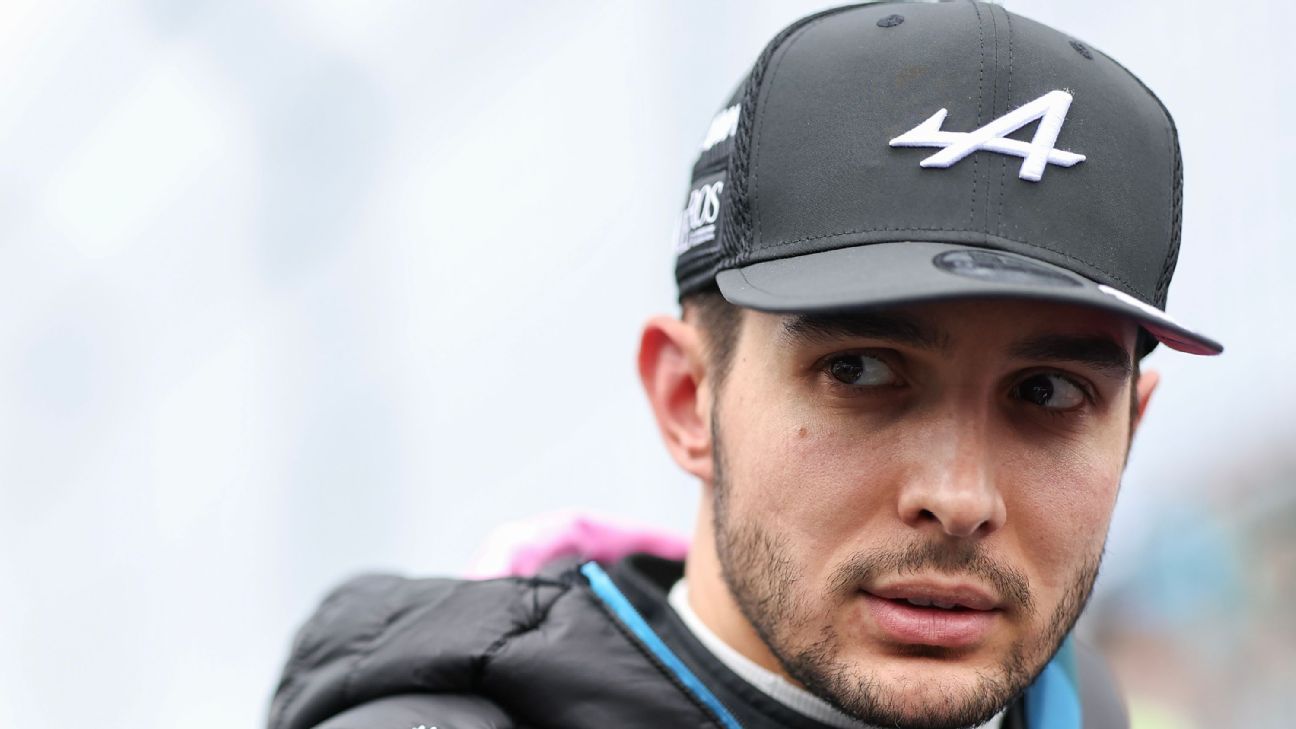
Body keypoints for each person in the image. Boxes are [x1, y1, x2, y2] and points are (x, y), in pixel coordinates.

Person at [266, 2, 1221, 728]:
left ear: (1129, 428)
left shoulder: (1075, 705)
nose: (958, 496)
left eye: (1048, 392)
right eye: (861, 371)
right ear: (688, 398)